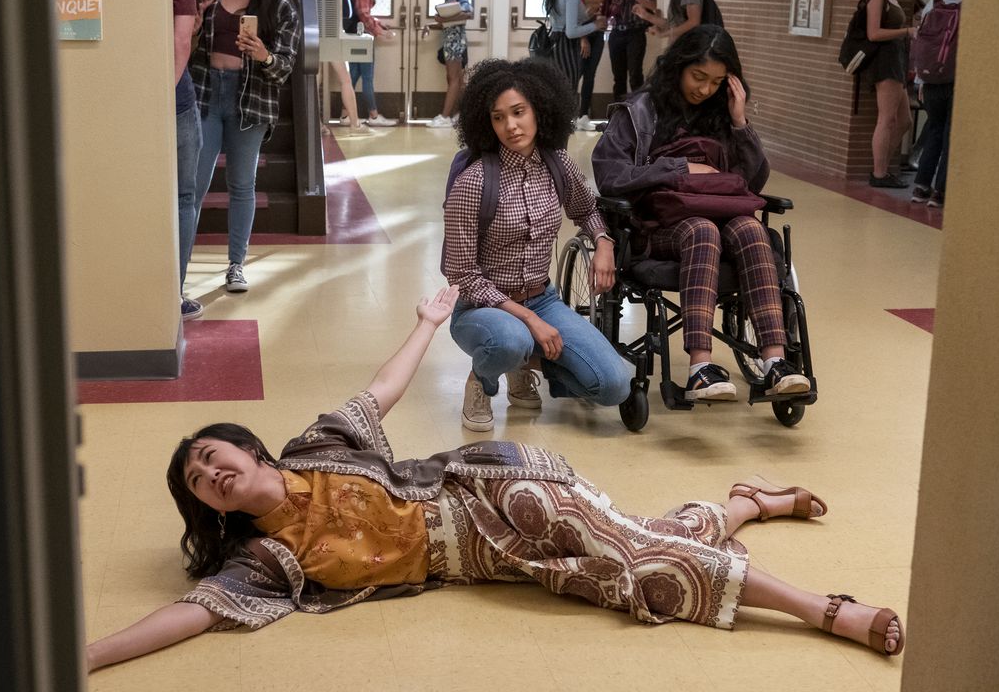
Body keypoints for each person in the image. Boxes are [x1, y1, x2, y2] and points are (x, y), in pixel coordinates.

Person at [83, 287, 905, 672]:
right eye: (196, 479)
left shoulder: (314, 448)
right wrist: (82, 657)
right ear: (205, 504)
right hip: (477, 562)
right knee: (633, 561)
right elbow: (186, 617)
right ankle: (739, 504)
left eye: (213, 456)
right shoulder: (263, 562)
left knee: (633, 568)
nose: (209, 472)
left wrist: (425, 324)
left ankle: (818, 608)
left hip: (488, 488)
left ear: (251, 451)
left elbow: (381, 390)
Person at [592, 25, 811, 403]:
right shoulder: (641, 110)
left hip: (722, 217)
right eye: (698, 77)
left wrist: (740, 124)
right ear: (678, 65)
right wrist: (677, 169)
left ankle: (775, 360)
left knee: (753, 231)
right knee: (702, 231)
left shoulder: (722, 113)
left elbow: (752, 183)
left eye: (716, 81)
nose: (705, 89)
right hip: (657, 228)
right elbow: (609, 174)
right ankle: (699, 366)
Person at [443, 57, 630, 431]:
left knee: (613, 386)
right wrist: (529, 320)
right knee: (510, 339)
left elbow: (586, 208)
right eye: (498, 117)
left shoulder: (559, 163)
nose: (511, 126)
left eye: (518, 112)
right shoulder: (474, 182)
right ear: (486, 122)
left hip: (542, 297)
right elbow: (460, 274)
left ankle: (521, 360)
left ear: (540, 109)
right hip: (481, 307)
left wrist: (604, 242)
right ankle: (483, 378)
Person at [189, 0, 301, 294]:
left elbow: (284, 67)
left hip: (249, 101)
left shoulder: (281, 6)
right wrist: (198, 14)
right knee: (193, 186)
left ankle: (236, 265)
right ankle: (179, 268)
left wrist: (264, 55)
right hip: (206, 92)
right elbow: (191, 44)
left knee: (241, 185)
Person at [171, 0, 216, 321]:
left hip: (153, 88)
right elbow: (181, 44)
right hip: (177, 96)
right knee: (185, 196)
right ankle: (175, 294)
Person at [858, 0, 918, 188]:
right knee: (887, 118)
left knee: (904, 120)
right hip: (885, 63)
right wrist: (907, 31)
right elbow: (873, 33)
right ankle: (879, 172)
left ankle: (880, 165)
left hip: (897, 61)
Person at [911, 0, 964, 208]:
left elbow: (922, 40)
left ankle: (920, 186)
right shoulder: (974, 4)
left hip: (930, 80)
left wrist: (920, 80)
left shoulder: (935, 2)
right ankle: (940, 192)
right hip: (956, 80)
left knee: (933, 129)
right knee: (950, 137)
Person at [312, 0, 375, 137]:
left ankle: (317, 124)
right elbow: (348, 11)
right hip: (333, 35)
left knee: (315, 83)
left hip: (313, 35)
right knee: (345, 80)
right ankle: (355, 124)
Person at [543, 0, 608, 99]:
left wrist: (587, 15)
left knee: (558, 94)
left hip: (556, 44)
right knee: (567, 96)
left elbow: (562, 19)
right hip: (566, 47)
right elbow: (571, 31)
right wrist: (596, 24)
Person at [344, 0, 398, 127]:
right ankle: (374, 115)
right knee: (367, 75)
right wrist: (380, 32)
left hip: (353, 34)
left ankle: (345, 114)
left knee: (354, 74)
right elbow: (364, 14)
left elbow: (362, 13)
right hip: (362, 36)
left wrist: (380, 24)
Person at [604, 0, 658, 101]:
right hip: (616, 32)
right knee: (618, 77)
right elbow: (607, 11)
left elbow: (653, 5)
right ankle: (617, 116)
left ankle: (638, 113)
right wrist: (614, 3)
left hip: (636, 31)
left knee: (635, 75)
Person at [425, 0, 473, 128]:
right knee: (456, 79)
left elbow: (468, 12)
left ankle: (445, 117)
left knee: (453, 78)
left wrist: (444, 17)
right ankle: (459, 115)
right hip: (451, 40)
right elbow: (447, 22)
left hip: (455, 42)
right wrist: (433, 23)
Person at [574, 0, 609, 131]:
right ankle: (568, 115)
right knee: (575, 73)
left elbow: (606, 6)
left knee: (590, 75)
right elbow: (576, 14)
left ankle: (583, 115)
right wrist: (582, 38)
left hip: (598, 32)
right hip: (581, 33)